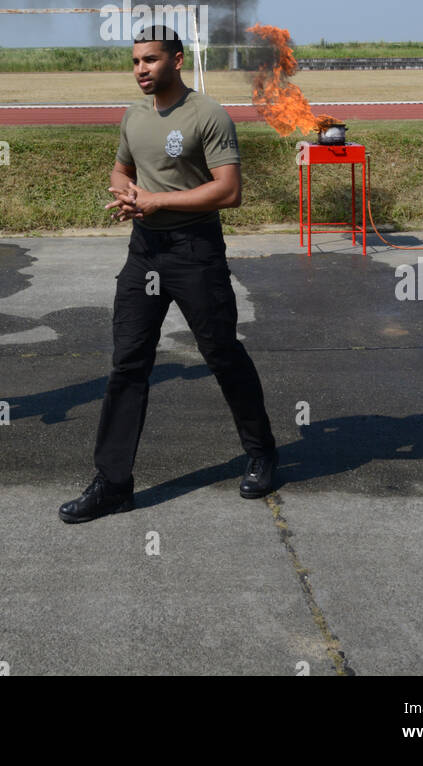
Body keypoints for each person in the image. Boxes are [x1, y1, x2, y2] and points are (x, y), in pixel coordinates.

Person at [59, 26, 277, 522]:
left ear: (176, 61)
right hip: (145, 254)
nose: (141, 69)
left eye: (151, 60)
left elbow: (229, 191)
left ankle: (262, 452)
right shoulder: (134, 116)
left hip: (195, 251)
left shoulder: (208, 115)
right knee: (128, 363)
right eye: (135, 61)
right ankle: (113, 483)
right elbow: (120, 170)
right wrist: (128, 193)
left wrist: (158, 200)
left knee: (221, 353)